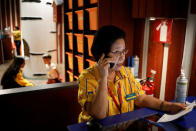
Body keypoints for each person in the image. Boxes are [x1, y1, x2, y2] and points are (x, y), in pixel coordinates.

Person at [77, 25, 186, 123]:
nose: (122, 56)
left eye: (124, 51)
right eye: (116, 52)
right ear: (102, 55)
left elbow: (140, 98)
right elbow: (99, 115)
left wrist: (169, 106)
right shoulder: (87, 77)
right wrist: (103, 78)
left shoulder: (126, 73)